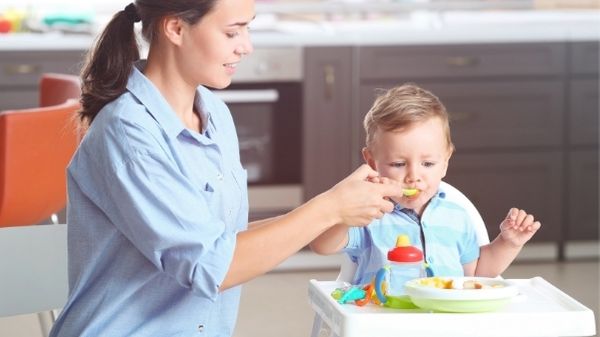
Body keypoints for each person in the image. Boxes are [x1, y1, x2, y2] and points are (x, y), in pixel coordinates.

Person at [48, 1, 405, 336]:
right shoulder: (128, 133)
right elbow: (210, 266)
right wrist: (329, 207)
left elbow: (219, 237)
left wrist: (333, 214)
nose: (245, 46)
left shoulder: (214, 115)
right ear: (175, 28)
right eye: (232, 32)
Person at [309, 83, 541, 286]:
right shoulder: (368, 213)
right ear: (372, 162)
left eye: (428, 163)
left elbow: (476, 274)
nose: (414, 176)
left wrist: (507, 244)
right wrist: (343, 216)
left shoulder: (457, 217)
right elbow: (323, 246)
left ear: (445, 162)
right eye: (399, 164)